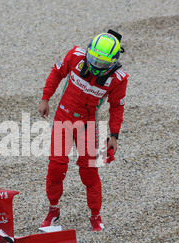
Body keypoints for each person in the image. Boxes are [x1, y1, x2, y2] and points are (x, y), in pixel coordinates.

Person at [38, 30, 128, 231]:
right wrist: (45, 98)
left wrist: (114, 135)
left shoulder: (118, 79)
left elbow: (117, 107)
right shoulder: (75, 56)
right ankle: (53, 209)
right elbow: (56, 72)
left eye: (102, 63)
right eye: (93, 59)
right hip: (63, 117)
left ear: (113, 61)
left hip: (88, 125)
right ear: (88, 52)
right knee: (56, 168)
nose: (96, 65)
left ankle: (95, 216)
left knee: (89, 172)